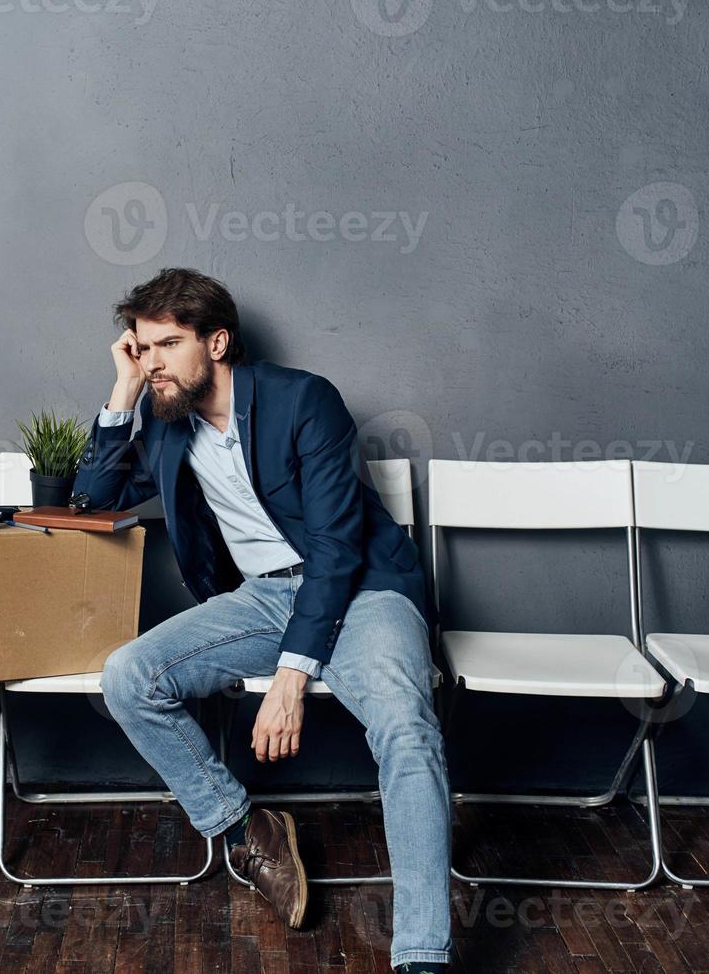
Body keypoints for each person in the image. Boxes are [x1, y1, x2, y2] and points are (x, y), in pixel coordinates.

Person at [72, 267, 452, 973]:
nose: (152, 360)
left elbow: (337, 551)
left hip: (364, 591)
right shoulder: (162, 421)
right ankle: (250, 829)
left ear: (217, 342)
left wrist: (288, 679)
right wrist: (123, 391)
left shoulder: (303, 400)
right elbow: (92, 502)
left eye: (166, 344)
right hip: (263, 599)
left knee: (405, 725)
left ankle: (422, 954)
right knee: (128, 676)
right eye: (141, 346)